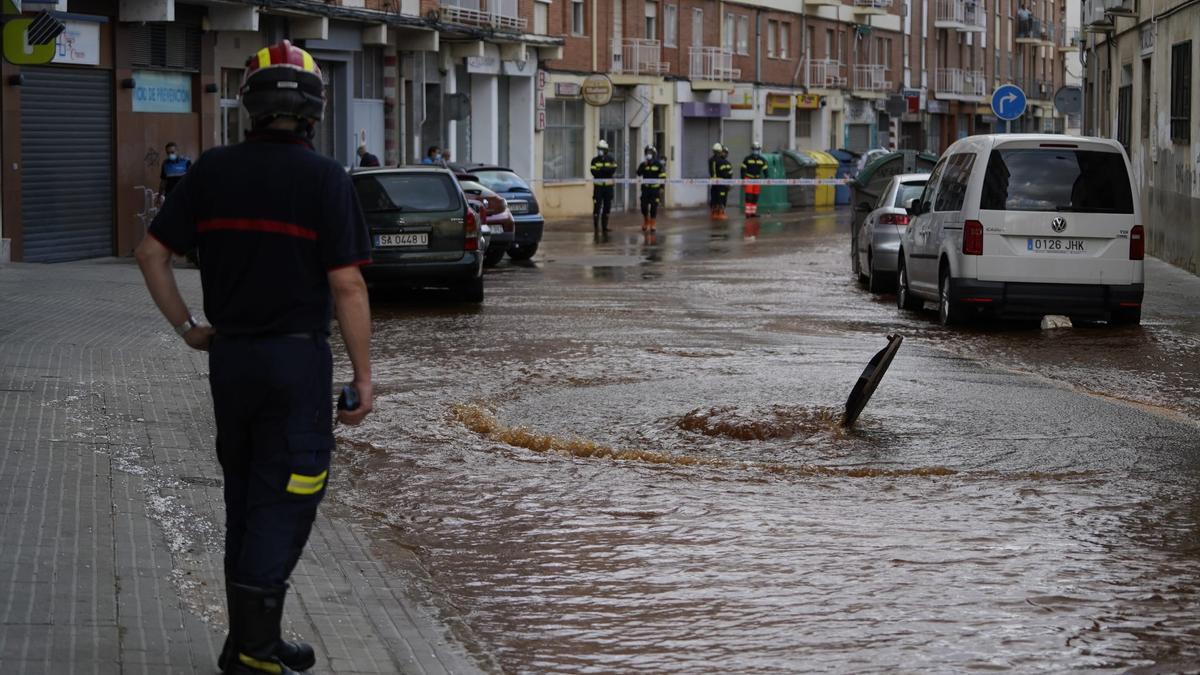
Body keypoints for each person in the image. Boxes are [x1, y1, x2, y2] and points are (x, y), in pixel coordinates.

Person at [134, 40, 374, 675]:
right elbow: (348, 285)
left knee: (246, 496)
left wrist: (187, 327)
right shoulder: (325, 179)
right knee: (293, 491)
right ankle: (256, 653)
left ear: (249, 107)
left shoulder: (211, 170)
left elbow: (150, 253)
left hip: (230, 362)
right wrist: (364, 377)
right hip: (296, 366)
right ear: (314, 113)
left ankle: (244, 641)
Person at [589, 139, 617, 237]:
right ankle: (596, 227)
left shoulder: (611, 159)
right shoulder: (595, 160)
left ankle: (605, 227)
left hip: (608, 188)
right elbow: (594, 172)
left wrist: (601, 170)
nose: (599, 151)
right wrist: (605, 170)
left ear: (606, 150)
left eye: (601, 149)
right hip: (598, 188)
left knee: (607, 207)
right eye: (599, 149)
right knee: (597, 207)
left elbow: (612, 170)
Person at [635, 145, 666, 232]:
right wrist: (643, 166)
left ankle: (653, 223)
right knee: (643, 207)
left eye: (650, 153)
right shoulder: (643, 164)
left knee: (653, 207)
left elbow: (663, 177)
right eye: (647, 153)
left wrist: (662, 187)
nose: (648, 155)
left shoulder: (658, 165)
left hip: (655, 190)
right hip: (645, 189)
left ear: (654, 154)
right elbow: (638, 173)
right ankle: (646, 220)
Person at [741, 141, 768, 219]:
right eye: (754, 149)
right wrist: (743, 180)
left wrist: (767, 178)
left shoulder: (762, 160)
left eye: (757, 149)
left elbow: (765, 170)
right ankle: (747, 213)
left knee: (755, 197)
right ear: (752, 149)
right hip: (748, 179)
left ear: (759, 150)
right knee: (749, 197)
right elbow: (743, 169)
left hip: (757, 180)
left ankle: (753, 213)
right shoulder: (747, 159)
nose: (755, 150)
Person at [708, 142, 733, 220]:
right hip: (720, 184)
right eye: (723, 152)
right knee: (718, 198)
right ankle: (718, 212)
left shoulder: (725, 163)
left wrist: (729, 183)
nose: (724, 154)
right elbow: (726, 174)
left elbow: (729, 174)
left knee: (718, 197)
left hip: (719, 183)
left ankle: (717, 212)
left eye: (725, 153)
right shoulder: (720, 161)